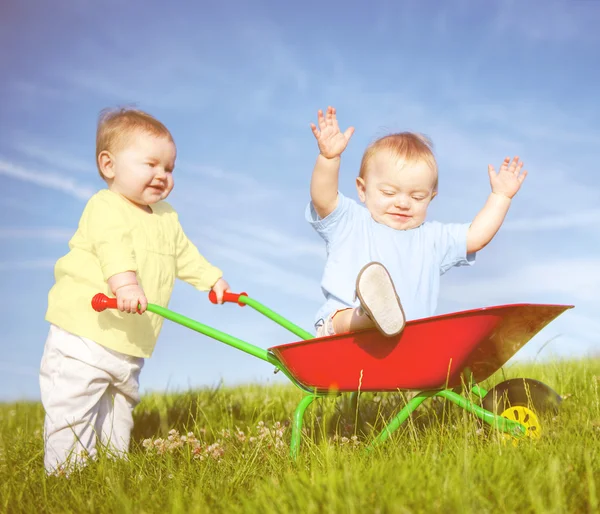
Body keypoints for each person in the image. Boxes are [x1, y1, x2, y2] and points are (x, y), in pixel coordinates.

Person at [41, 108, 231, 474]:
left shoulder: (166, 217)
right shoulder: (105, 206)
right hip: (85, 333)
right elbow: (112, 246)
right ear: (109, 165)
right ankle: (65, 474)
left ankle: (112, 467)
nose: (162, 175)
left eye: (170, 168)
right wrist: (125, 283)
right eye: (151, 164)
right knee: (74, 403)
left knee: (119, 406)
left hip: (129, 342)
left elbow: (184, 255)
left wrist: (212, 279)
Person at [306, 106, 527, 338]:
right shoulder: (351, 222)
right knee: (343, 316)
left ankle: (383, 318)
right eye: (389, 193)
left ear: (431, 198)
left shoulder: (431, 239)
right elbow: (324, 199)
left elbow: (476, 237)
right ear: (362, 190)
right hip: (342, 333)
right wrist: (329, 159)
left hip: (406, 342)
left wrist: (500, 197)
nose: (403, 203)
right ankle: (368, 316)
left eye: (416, 197)